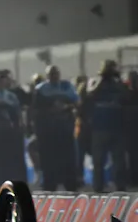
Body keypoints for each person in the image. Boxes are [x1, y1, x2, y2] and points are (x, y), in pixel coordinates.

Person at [78, 60, 127, 192]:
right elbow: (90, 95)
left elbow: (126, 96)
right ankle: (98, 186)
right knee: (98, 160)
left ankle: (120, 185)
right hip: (100, 127)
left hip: (116, 126)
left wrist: (118, 80)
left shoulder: (118, 84)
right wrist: (102, 80)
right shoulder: (95, 82)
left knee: (119, 160)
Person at [32, 65, 78, 191]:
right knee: (49, 160)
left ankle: (70, 185)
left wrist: (66, 107)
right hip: (48, 131)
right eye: (51, 74)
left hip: (65, 129)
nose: (54, 76)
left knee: (68, 159)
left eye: (56, 73)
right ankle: (49, 186)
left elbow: (76, 102)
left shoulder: (67, 86)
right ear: (47, 76)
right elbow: (36, 110)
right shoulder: (41, 89)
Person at [124, 70, 138, 187]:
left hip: (129, 128)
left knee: (131, 155)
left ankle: (132, 178)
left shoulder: (126, 93)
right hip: (132, 128)